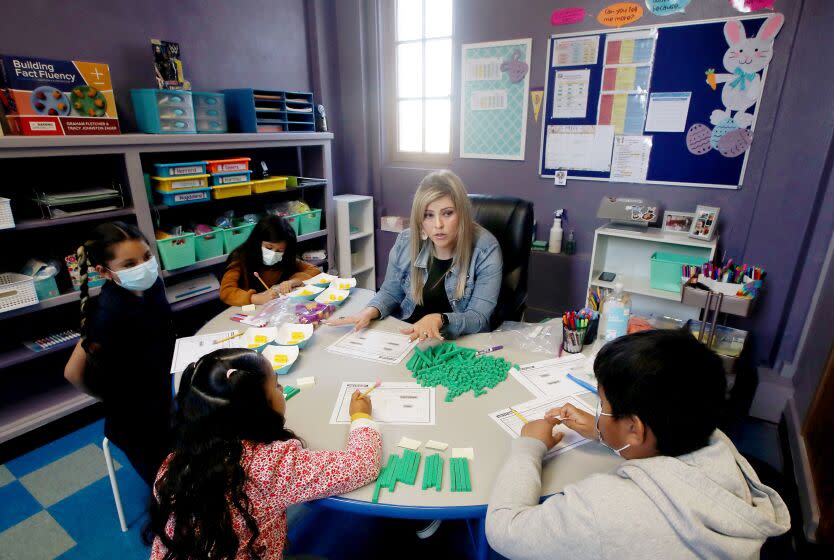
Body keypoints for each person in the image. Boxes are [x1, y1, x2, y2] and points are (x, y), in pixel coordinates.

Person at [486, 329, 790, 559]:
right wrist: (605, 431)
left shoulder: (602, 511)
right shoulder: (715, 438)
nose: (598, 411)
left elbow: (504, 530)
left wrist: (529, 446)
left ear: (635, 428)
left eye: (601, 404)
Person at [148, 348, 381, 559]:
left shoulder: (172, 465)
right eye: (277, 386)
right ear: (260, 410)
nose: (281, 391)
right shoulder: (271, 466)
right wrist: (361, 417)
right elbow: (364, 464)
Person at [328, 170, 502, 341]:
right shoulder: (406, 241)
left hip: (456, 342)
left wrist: (439, 319)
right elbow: (390, 292)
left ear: (462, 213)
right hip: (408, 336)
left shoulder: (486, 249)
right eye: (428, 215)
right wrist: (368, 312)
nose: (438, 225)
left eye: (447, 213)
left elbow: (478, 317)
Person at [64, 222, 174, 486]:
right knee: (172, 488)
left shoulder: (153, 286)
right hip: (135, 421)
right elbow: (72, 372)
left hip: (162, 402)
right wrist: (109, 397)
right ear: (104, 271)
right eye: (128, 264)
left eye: (146, 257)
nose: (143, 267)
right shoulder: (107, 313)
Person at [220, 216, 321, 306]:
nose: (273, 254)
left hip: (280, 309)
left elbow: (315, 271)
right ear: (257, 242)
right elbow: (226, 291)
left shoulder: (286, 258)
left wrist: (293, 281)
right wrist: (255, 298)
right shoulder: (240, 259)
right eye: (268, 247)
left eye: (279, 250)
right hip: (252, 313)